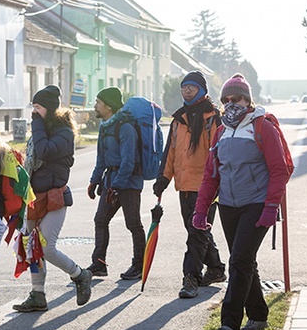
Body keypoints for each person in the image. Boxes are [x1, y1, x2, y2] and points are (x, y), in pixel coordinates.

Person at [194, 73, 290, 330]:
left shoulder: (262, 127)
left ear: (247, 99)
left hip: (256, 205)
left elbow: (279, 170)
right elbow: (211, 175)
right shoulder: (221, 131)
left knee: (238, 261)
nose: (230, 103)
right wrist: (201, 210)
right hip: (228, 205)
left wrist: (271, 206)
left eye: (235, 98)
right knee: (245, 260)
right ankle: (258, 315)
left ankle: (230, 324)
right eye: (225, 99)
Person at [12, 85, 92, 312]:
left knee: (46, 247)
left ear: (49, 109)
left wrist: (37, 124)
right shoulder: (42, 130)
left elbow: (45, 151)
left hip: (55, 198)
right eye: (33, 107)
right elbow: (33, 158)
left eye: (38, 108)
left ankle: (80, 274)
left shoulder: (64, 132)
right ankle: (37, 294)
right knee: (31, 247)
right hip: (34, 197)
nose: (34, 112)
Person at [153, 71, 226, 299]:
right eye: (184, 87)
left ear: (202, 90)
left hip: (206, 187)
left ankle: (191, 278)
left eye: (192, 87)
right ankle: (215, 269)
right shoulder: (179, 119)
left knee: (196, 234)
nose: (187, 91)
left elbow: (219, 153)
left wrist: (218, 182)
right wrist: (163, 178)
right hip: (184, 187)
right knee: (197, 231)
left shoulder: (213, 118)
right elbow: (170, 152)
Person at [85, 86, 146, 281]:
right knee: (100, 220)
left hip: (128, 183)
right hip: (111, 182)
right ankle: (99, 264)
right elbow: (101, 159)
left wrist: (117, 186)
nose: (95, 106)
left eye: (98, 102)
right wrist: (94, 181)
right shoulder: (105, 125)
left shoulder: (125, 126)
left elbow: (128, 161)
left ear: (109, 106)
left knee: (133, 224)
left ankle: (139, 265)